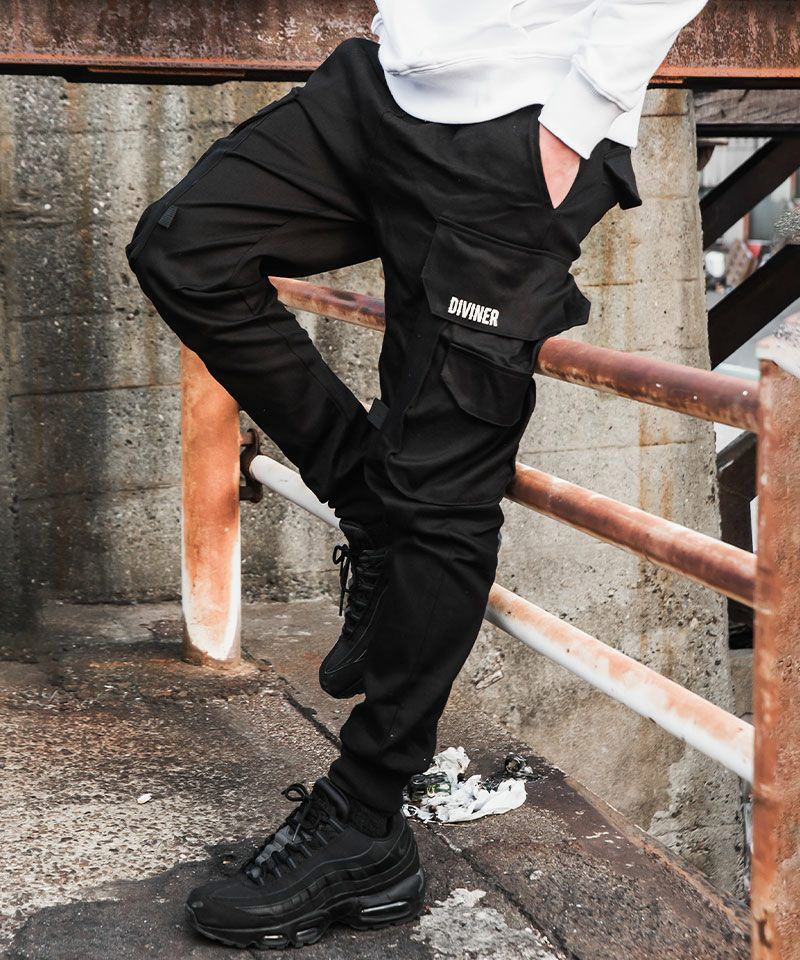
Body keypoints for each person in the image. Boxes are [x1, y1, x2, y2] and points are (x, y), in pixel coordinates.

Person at [127, 0, 709, 949]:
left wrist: (572, 122)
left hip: (521, 128)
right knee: (184, 247)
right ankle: (366, 503)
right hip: (384, 87)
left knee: (442, 488)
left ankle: (365, 819)